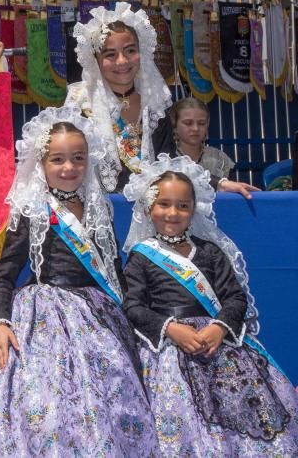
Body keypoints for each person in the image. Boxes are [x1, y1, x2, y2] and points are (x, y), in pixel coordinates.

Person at [0, 105, 159, 456]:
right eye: (58, 160)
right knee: (51, 406)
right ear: (41, 164)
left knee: (114, 394)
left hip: (98, 313)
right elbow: (5, 272)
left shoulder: (98, 207)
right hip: (45, 313)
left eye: (78, 158)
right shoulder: (33, 209)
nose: (69, 168)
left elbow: (113, 268)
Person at [122, 155, 298, 456]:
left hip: (218, 345)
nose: (173, 213)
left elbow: (234, 297)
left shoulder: (209, 252)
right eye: (164, 204)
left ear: (194, 209)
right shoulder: (140, 256)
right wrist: (170, 329)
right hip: (169, 350)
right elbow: (133, 306)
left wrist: (219, 327)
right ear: (148, 208)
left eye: (183, 205)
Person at [66, 2, 256, 196]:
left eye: (130, 50)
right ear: (95, 60)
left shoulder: (155, 105)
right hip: (98, 213)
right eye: (110, 54)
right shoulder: (80, 104)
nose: (122, 61)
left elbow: (169, 162)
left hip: (149, 214)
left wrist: (219, 183)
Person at [170, 96, 235, 179]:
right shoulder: (165, 159)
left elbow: (228, 190)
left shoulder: (219, 158)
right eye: (188, 123)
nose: (195, 128)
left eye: (201, 123)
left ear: (207, 125)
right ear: (174, 125)